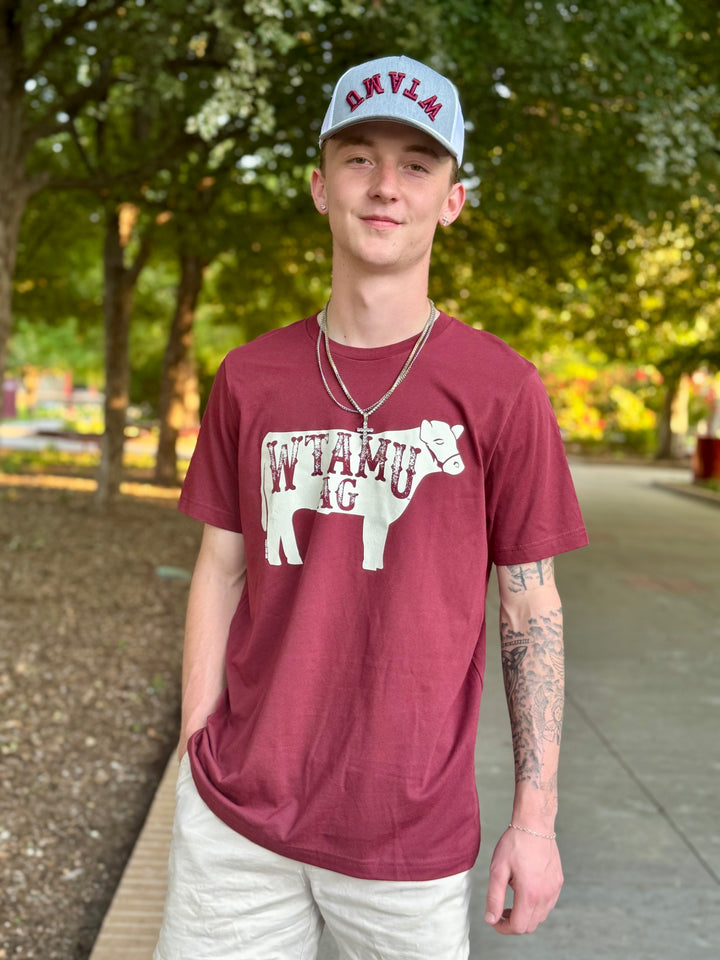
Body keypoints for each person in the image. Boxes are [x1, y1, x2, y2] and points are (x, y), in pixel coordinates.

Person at [154, 54, 588, 960]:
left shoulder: (501, 390)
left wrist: (535, 821)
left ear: (452, 200)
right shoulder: (249, 378)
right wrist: (193, 754)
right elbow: (221, 568)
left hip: (406, 840)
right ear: (320, 187)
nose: (386, 185)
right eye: (359, 157)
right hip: (236, 824)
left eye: (418, 164)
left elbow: (529, 607)